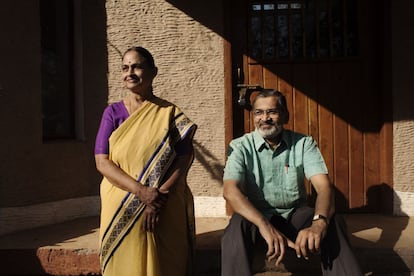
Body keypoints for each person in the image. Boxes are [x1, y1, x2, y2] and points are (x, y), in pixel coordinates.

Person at [221, 89, 362, 276]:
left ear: (285, 116)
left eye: (272, 112)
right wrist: (265, 225)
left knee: (333, 221)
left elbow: (324, 188)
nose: (265, 118)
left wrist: (319, 223)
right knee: (236, 226)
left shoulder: (303, 143)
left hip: (295, 216)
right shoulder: (239, 146)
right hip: (257, 219)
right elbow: (230, 191)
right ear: (253, 117)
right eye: (259, 113)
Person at [94, 46, 197, 276]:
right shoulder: (112, 114)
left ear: (153, 72)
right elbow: (102, 161)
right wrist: (141, 192)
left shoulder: (169, 113)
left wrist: (159, 197)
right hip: (121, 199)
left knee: (166, 261)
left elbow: (184, 156)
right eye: (125, 67)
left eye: (137, 66)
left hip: (163, 199)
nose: (129, 72)